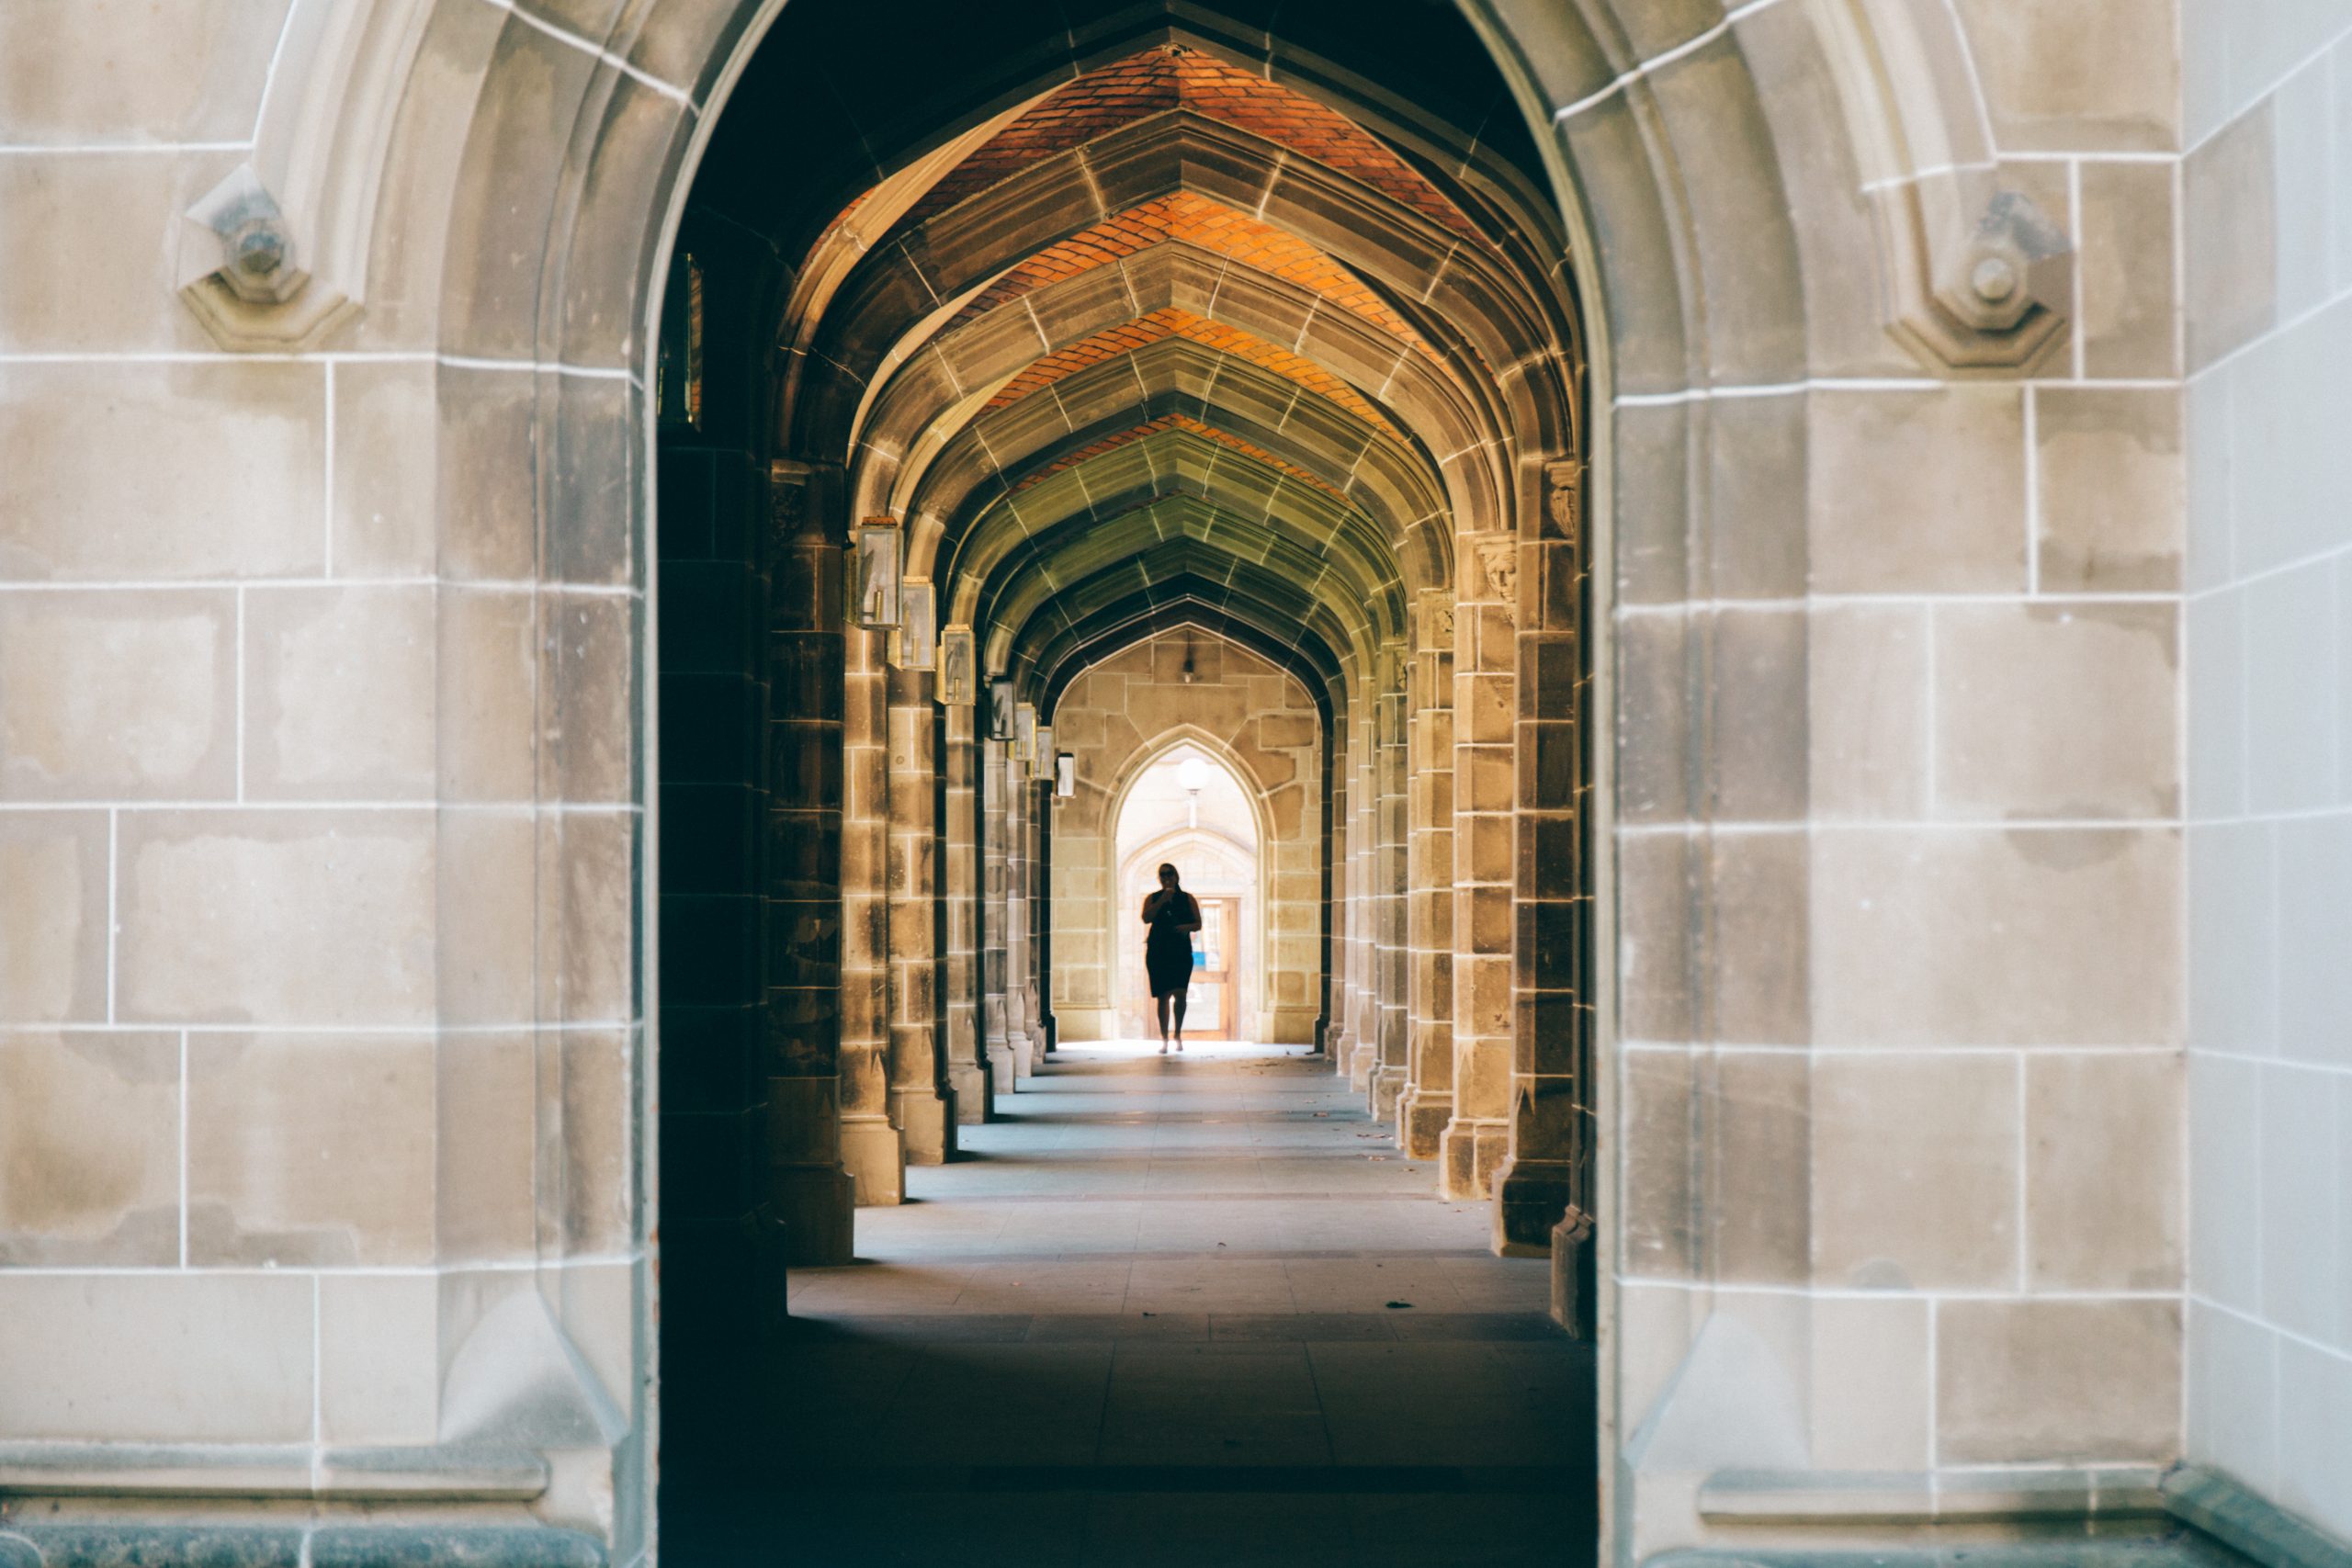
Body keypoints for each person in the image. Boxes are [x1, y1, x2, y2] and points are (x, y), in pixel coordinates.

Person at [1141, 863, 1203, 1054]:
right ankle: (1164, 1039)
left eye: (1170, 874)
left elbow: (1198, 923)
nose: (1166, 878)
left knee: (1180, 994)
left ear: (1176, 876)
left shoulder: (1187, 898)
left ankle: (1177, 1033)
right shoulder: (1153, 898)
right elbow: (1146, 918)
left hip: (1180, 951)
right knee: (1162, 996)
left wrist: (1186, 927)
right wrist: (1162, 901)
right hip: (1159, 951)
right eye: (1162, 875)